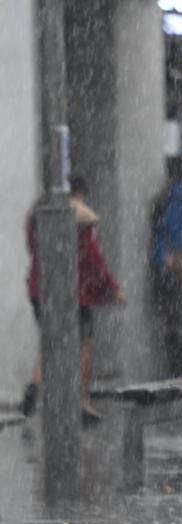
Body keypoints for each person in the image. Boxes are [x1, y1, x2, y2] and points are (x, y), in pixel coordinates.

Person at [22, 175, 126, 425]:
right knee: (85, 344)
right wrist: (112, 288)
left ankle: (36, 383)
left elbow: (32, 247)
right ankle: (81, 401)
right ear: (78, 193)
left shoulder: (39, 213)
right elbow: (92, 257)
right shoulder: (79, 218)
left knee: (52, 341)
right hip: (74, 293)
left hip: (41, 289)